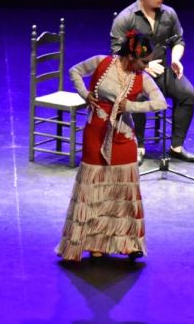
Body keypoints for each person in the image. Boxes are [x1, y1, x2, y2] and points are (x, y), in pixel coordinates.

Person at [55, 31, 167, 262]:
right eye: (144, 61)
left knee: (123, 191)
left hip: (122, 136)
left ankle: (127, 242)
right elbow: (74, 71)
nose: (146, 66)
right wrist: (85, 94)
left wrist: (131, 107)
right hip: (96, 131)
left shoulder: (142, 78)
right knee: (95, 189)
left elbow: (160, 102)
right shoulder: (101, 62)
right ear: (131, 56)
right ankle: (95, 242)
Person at [111, 0, 194, 165]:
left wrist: (176, 58)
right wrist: (143, 65)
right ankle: (138, 146)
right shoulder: (125, 18)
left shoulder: (169, 14)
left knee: (188, 94)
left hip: (160, 72)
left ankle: (176, 147)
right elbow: (117, 54)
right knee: (138, 96)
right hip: (133, 73)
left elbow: (179, 40)